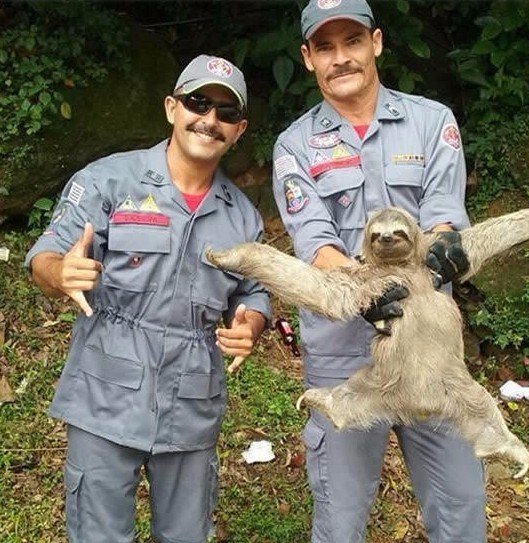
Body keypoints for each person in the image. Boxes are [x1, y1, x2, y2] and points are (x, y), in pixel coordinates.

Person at [25, 54, 270, 543]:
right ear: (171, 108)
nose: (209, 119)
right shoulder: (109, 180)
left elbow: (254, 290)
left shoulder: (243, 216)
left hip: (192, 402)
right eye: (199, 103)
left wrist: (252, 323)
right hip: (105, 393)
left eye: (225, 113)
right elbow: (45, 257)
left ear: (238, 129)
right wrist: (59, 271)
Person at [272, 0, 485, 542]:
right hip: (343, 351)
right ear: (308, 57)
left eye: (352, 42)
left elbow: (441, 219)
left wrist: (441, 250)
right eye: (326, 47)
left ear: (377, 43)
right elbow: (315, 241)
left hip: (428, 347)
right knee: (341, 517)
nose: (341, 58)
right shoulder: (294, 146)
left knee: (460, 504)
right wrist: (365, 291)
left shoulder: (431, 121)